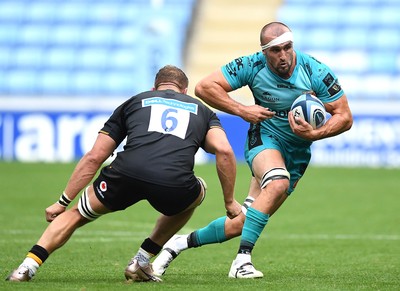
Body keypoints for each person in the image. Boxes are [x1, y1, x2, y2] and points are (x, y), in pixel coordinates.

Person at [152, 22, 353, 279]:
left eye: (287, 48)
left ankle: (176, 244)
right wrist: (242, 110)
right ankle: (242, 261)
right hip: (265, 137)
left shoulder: (315, 70)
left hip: (298, 151)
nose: (283, 55)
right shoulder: (251, 65)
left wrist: (315, 134)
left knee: (242, 222)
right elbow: (204, 87)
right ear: (264, 51)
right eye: (275, 50)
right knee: (278, 182)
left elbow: (344, 116)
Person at [6, 65, 242, 283]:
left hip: (125, 173)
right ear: (184, 90)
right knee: (196, 193)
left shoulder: (136, 101)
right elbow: (223, 150)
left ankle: (26, 267)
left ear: (154, 88)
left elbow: (94, 156)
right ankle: (140, 261)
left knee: (77, 213)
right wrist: (229, 202)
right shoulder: (202, 110)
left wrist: (61, 202)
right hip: (172, 181)